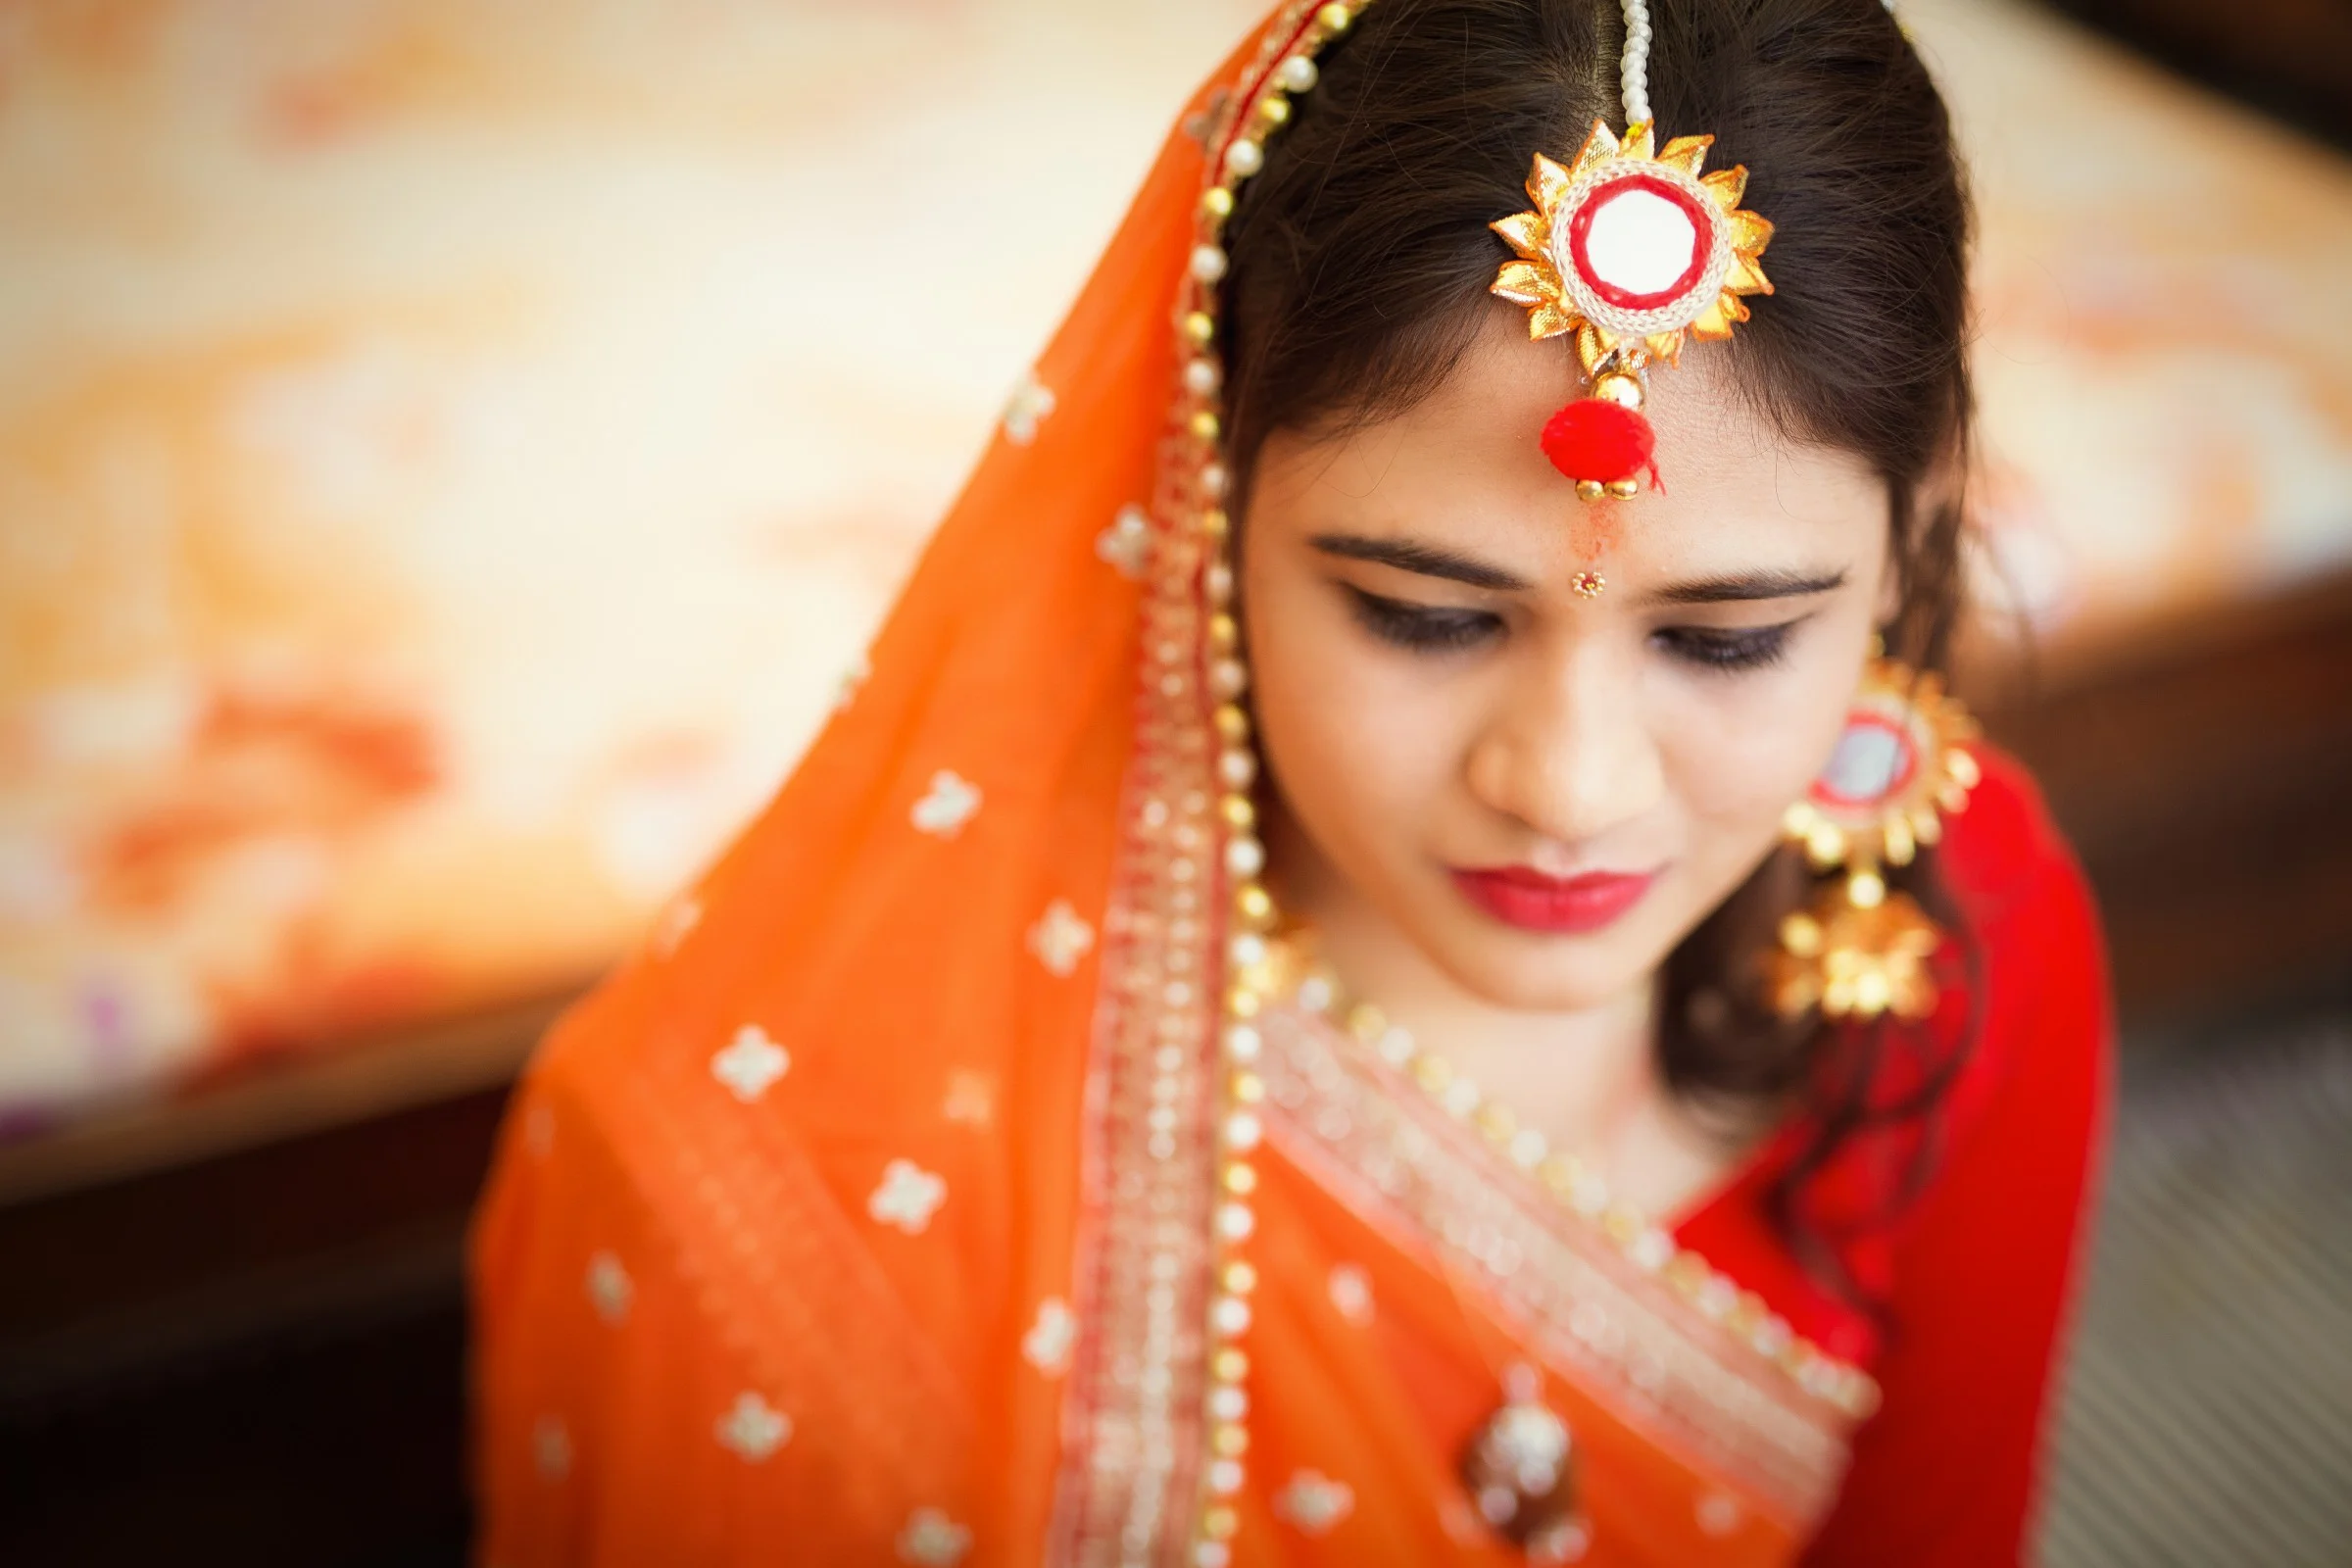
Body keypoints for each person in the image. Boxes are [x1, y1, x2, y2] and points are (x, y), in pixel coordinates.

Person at [469, 0, 2111, 1562]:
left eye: (1731, 640)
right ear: (1200, 486)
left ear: (1919, 527)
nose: (1565, 782)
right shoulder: (771, 1164)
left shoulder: (1966, 922)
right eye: (1426, 615)